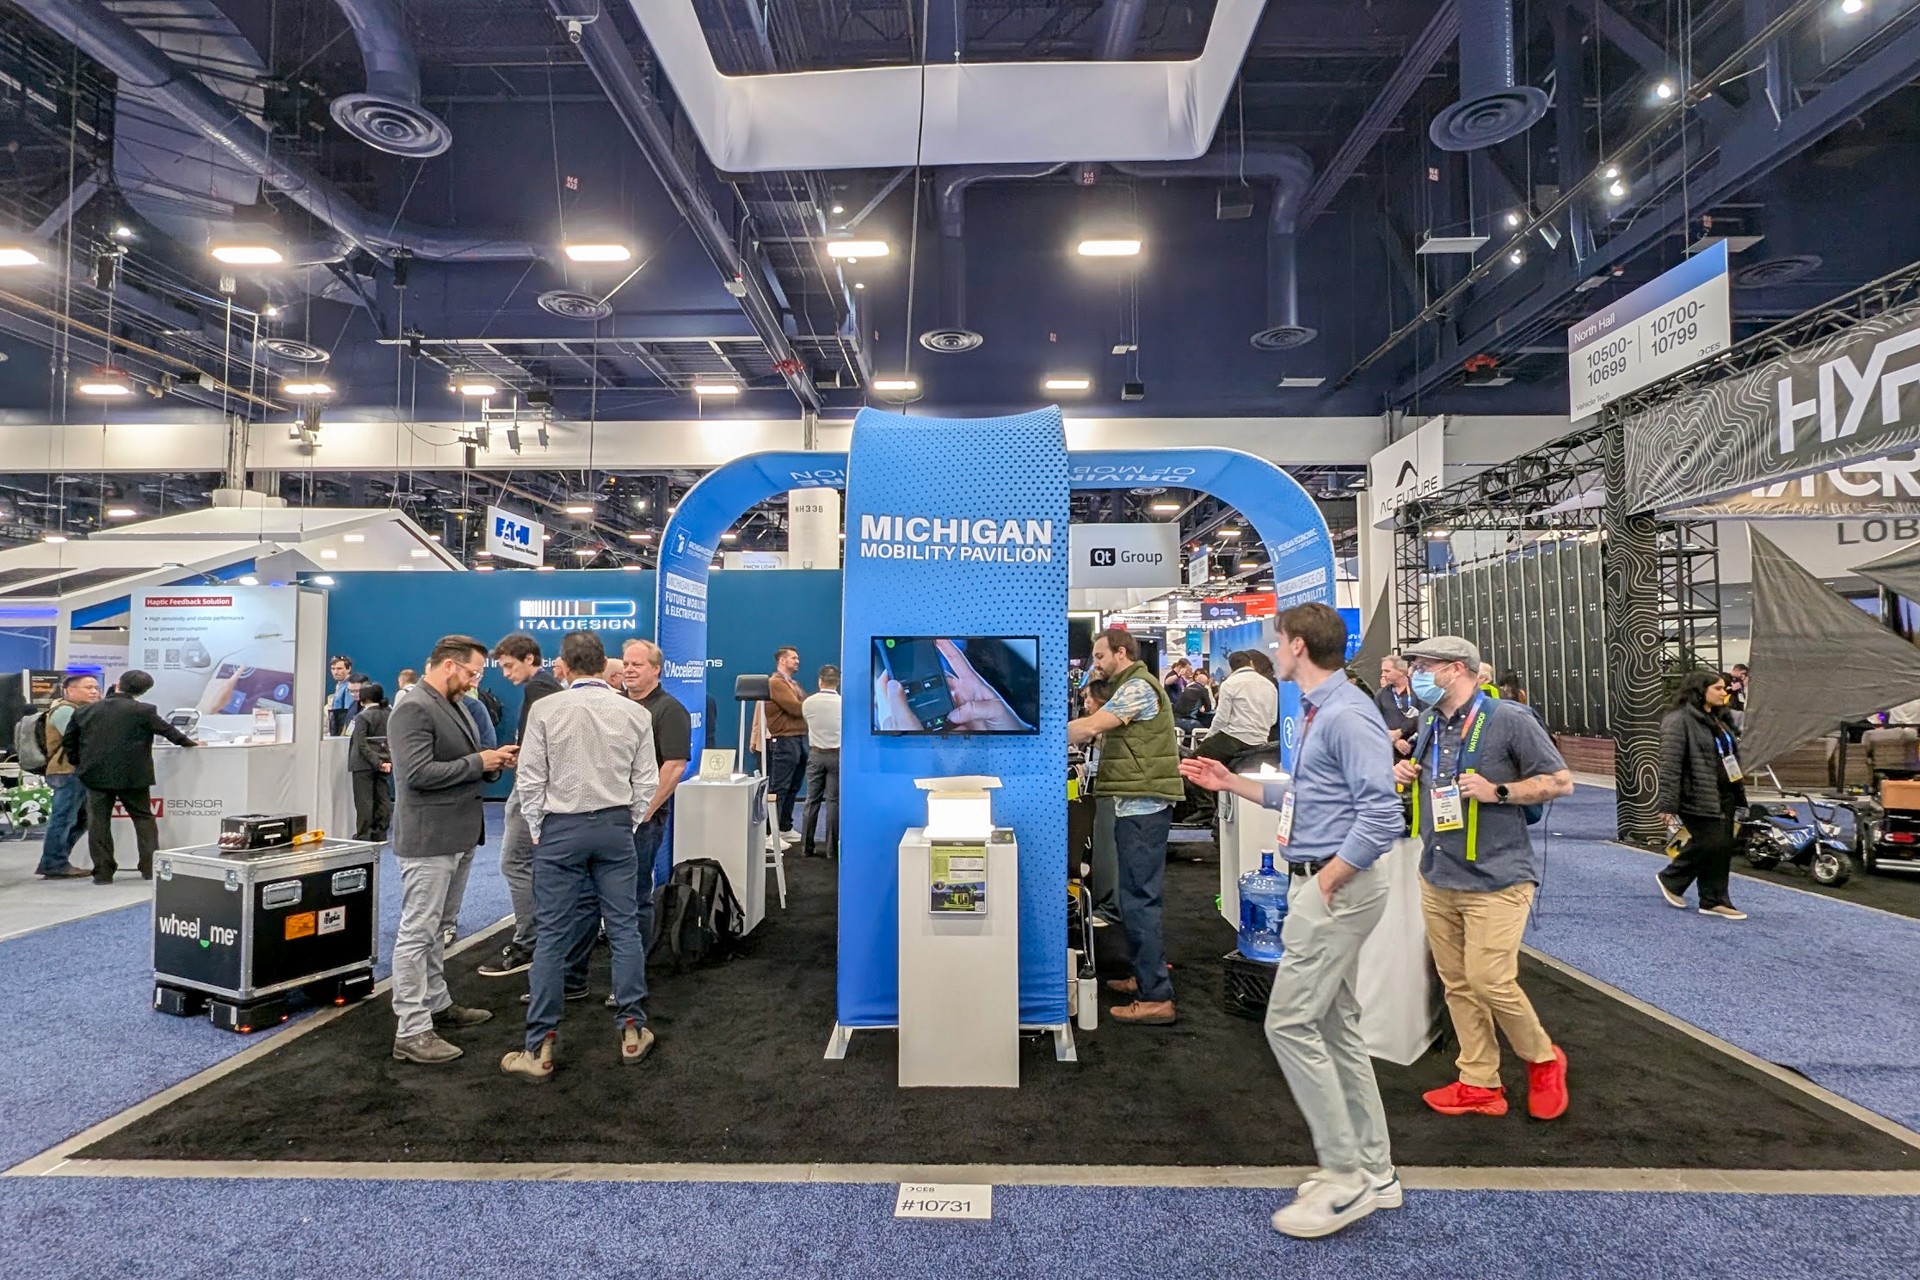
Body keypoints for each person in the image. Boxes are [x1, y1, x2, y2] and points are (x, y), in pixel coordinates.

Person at [1179, 602, 1405, 1239]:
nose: (1274, 650)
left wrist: (1330, 878)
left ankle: (1344, 1178)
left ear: (1298, 645)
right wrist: (1231, 782)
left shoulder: (1346, 714)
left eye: (1279, 640)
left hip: (1335, 888)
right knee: (1336, 1027)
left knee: (1289, 1022)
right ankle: (1376, 1170)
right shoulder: (1318, 712)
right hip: (1323, 882)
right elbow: (1307, 793)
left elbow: (1382, 815)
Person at [1395, 636, 1574, 1122]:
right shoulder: (1431, 721)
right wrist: (1407, 773)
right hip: (1438, 873)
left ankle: (1542, 1059)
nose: (1416, 673)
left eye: (1424, 665)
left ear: (1456, 669)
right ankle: (1479, 1081)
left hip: (1498, 876)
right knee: (1456, 983)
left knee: (1489, 978)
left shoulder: (1509, 719)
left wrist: (1499, 790)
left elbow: (1561, 781)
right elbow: (1431, 778)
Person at [502, 630, 659, 1082]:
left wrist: (537, 827)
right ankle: (632, 1029)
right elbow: (644, 781)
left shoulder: (546, 709)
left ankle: (540, 1047)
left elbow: (530, 778)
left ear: (565, 667)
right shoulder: (633, 711)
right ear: (603, 664)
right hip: (613, 828)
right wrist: (624, 824)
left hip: (559, 829)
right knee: (625, 926)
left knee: (552, 934)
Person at [386, 635, 514, 1065]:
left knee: (438, 928)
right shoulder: (413, 708)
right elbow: (417, 773)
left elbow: (462, 761)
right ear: (448, 666)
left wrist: (491, 760)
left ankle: (436, 1004)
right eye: (473, 672)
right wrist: (481, 762)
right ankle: (411, 1029)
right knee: (418, 932)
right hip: (428, 838)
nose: (476, 681)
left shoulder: (455, 705)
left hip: (456, 833)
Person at [1068, 628, 1183, 1025]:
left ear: (1121, 652)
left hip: (1143, 807)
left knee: (1139, 900)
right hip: (1136, 803)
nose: (1096, 664)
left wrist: (1039, 737)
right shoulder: (1129, 685)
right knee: (1136, 897)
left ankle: (1156, 998)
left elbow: (1090, 727)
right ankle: (1144, 977)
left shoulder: (1136, 688)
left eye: (1100, 656)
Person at [477, 633, 564, 980]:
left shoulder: (539, 688)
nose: (506, 673)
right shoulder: (548, 687)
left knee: (514, 863)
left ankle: (528, 942)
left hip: (532, 792)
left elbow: (542, 744)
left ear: (530, 658)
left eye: (510, 665)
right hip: (541, 789)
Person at [63, 670, 198, 884]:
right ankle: (149, 868)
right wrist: (190, 743)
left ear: (118, 684)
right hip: (134, 776)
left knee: (98, 823)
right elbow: (169, 732)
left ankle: (103, 873)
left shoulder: (85, 712)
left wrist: (79, 763)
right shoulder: (144, 710)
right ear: (143, 691)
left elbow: (69, 742)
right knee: (143, 818)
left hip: (95, 774)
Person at [1656, 670, 1749, 921]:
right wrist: (1667, 804)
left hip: (1724, 791)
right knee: (1711, 842)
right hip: (1694, 793)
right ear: (1700, 690)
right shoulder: (1678, 720)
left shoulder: (1720, 718)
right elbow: (1670, 764)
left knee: (1722, 847)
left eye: (1724, 688)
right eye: (1718, 688)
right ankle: (1672, 877)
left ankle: (1715, 900)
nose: (1724, 692)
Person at [624, 639, 691, 886]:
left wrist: (644, 810)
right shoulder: (616, 705)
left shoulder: (670, 710)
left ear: (656, 669)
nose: (629, 669)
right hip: (610, 815)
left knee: (637, 890)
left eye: (637, 664)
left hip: (644, 821)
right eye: (626, 663)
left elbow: (674, 767)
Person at [34, 672, 101, 878]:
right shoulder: (64, 710)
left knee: (83, 819)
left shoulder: (80, 710)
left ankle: (56, 860)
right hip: (66, 771)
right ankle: (54, 863)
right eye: (88, 687)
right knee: (63, 818)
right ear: (70, 690)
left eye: (96, 688)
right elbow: (81, 740)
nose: (94, 692)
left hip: (75, 772)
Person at [1197, 651, 1279, 764]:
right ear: (1251, 663)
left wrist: (1208, 738)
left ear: (1231, 667)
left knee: (1194, 762)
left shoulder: (1229, 684)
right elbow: (1272, 719)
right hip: (1261, 740)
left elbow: (1221, 719)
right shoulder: (1269, 685)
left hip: (1235, 739)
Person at [765, 646, 809, 845]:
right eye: (794, 658)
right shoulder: (776, 683)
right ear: (782, 660)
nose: (797, 661)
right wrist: (812, 706)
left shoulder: (794, 684)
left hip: (798, 738)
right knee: (779, 787)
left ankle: (784, 827)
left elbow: (804, 705)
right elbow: (795, 708)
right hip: (784, 740)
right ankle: (769, 834)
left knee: (793, 786)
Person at [800, 665, 842, 859]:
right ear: (838, 682)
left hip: (816, 755)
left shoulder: (808, 703)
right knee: (833, 802)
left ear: (820, 681)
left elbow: (808, 723)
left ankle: (806, 848)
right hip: (837, 755)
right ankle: (832, 850)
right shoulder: (843, 704)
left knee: (811, 801)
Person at [347, 682, 394, 842]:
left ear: (363, 698)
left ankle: (363, 834)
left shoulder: (363, 716)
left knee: (364, 800)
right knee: (383, 797)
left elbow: (361, 743)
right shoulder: (389, 713)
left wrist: (376, 762)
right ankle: (380, 832)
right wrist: (384, 761)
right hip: (385, 761)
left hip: (363, 764)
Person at [1374, 656, 1419, 756]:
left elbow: (1426, 716)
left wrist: (1401, 731)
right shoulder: (1381, 694)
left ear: (1401, 671)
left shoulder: (1418, 691)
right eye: (1382, 671)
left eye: (1387, 671)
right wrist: (1394, 741)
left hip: (1417, 749)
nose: (1383, 675)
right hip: (1391, 753)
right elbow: (1375, 722)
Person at [327, 654, 355, 735]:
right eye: (333, 669)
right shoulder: (339, 685)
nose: (335, 672)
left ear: (348, 669)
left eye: (339, 668)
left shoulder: (349, 686)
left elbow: (348, 713)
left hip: (342, 730)